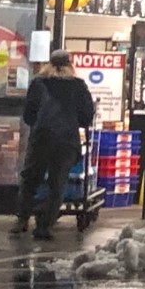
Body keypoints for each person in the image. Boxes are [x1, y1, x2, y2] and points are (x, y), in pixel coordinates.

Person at [11, 49, 96, 240]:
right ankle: (44, 226)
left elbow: (28, 115)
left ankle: (22, 219)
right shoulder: (78, 86)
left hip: (41, 137)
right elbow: (87, 116)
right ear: (69, 65)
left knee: (31, 178)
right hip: (66, 140)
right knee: (57, 183)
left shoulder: (39, 83)